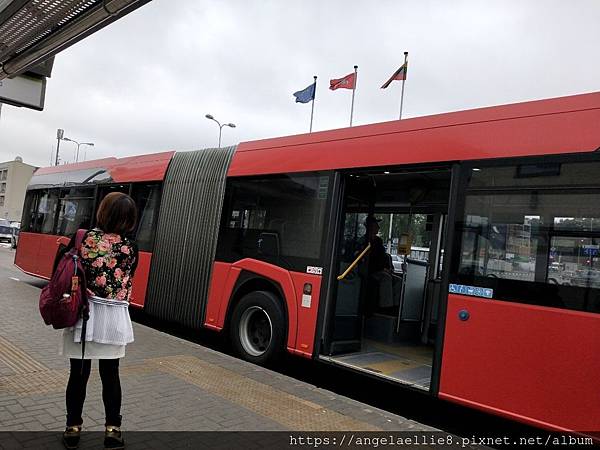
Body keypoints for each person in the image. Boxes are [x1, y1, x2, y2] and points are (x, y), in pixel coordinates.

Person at [60, 192, 138, 450]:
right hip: (114, 317)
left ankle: (72, 429)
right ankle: (112, 431)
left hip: (84, 313)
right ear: (129, 219)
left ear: (103, 212)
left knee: (78, 375)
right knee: (111, 375)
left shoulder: (84, 239)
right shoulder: (130, 247)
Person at [364, 215, 401, 313]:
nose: (378, 227)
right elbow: (369, 260)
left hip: (381, 269)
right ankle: (385, 308)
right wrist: (382, 269)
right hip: (370, 271)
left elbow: (383, 256)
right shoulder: (364, 241)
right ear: (370, 227)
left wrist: (388, 268)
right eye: (376, 225)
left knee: (398, 280)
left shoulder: (378, 241)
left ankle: (396, 306)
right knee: (386, 278)